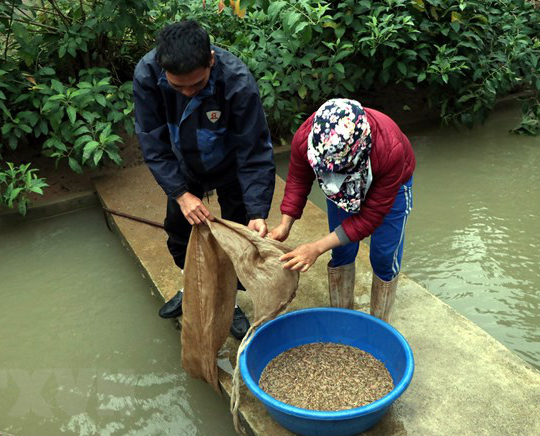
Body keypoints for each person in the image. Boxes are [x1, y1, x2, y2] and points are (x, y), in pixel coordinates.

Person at [133, 20, 275, 339]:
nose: (186, 92)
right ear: (161, 67)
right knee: (180, 230)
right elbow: (152, 141)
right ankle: (191, 287)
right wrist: (180, 194)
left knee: (236, 236)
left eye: (196, 85)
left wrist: (257, 211)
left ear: (211, 60)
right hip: (183, 165)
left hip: (229, 165)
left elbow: (254, 150)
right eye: (177, 86)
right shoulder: (146, 75)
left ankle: (230, 301)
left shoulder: (237, 82)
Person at [269, 99, 415, 322]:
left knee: (384, 257)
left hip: (391, 187)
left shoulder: (389, 147)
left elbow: (370, 219)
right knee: (341, 251)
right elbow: (299, 178)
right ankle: (342, 318)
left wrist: (316, 247)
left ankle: (380, 325)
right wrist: (285, 224)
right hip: (340, 192)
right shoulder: (306, 136)